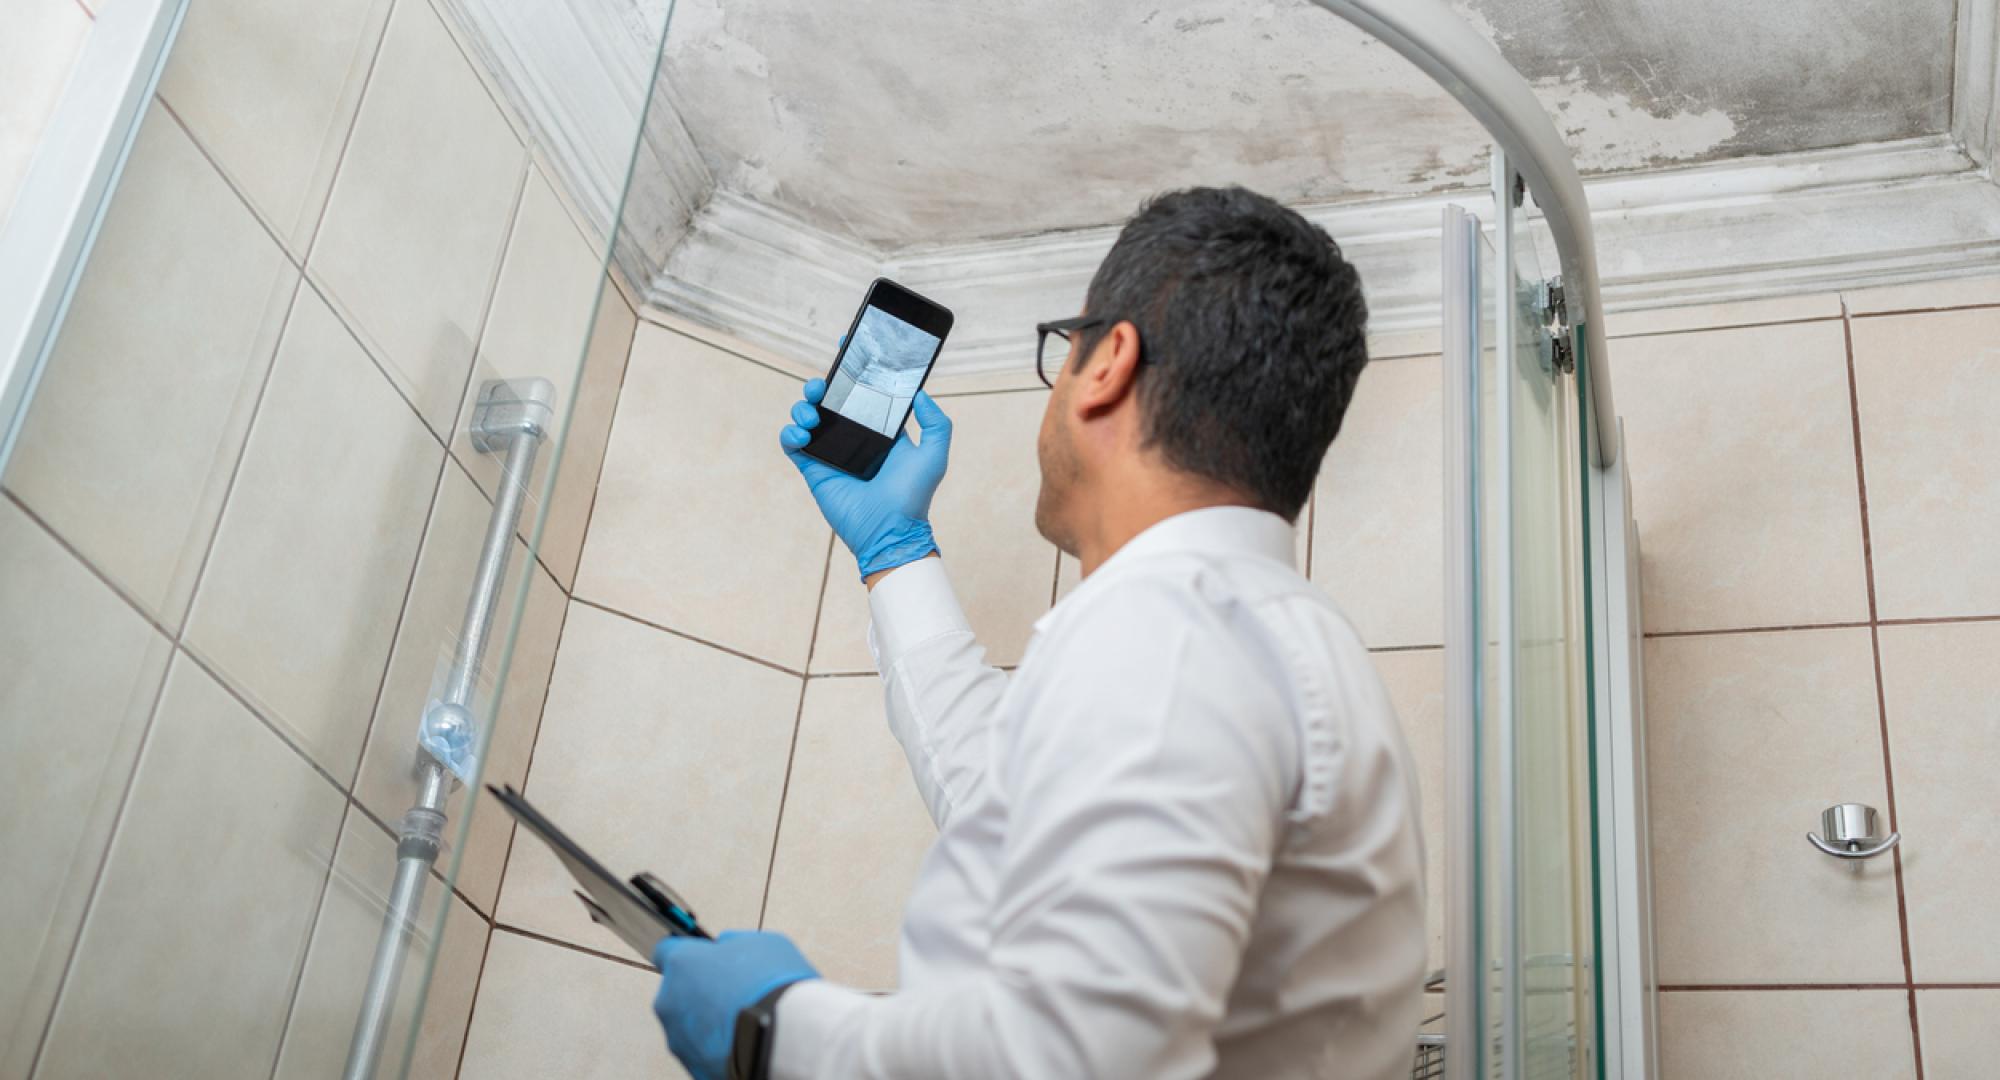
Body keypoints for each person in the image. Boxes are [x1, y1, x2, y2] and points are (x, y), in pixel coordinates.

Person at [651, 186, 1427, 1079]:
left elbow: (1064, 1058)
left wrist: (779, 1032)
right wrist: (895, 553)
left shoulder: (1175, 633)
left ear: (1106, 366)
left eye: (1065, 351)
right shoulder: (1253, 638)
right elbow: (1000, 800)